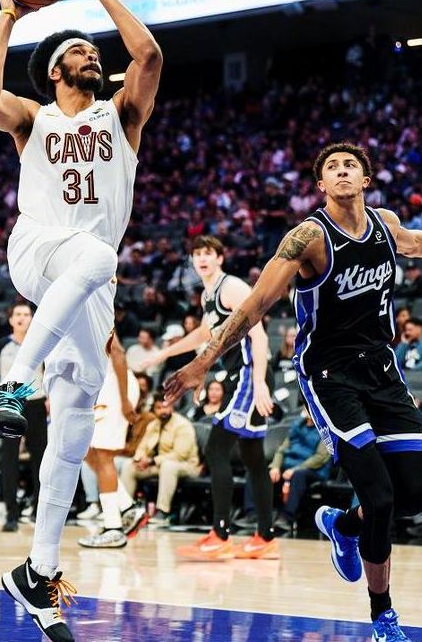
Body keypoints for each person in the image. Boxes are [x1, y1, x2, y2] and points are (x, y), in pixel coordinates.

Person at [0, 0, 161, 641]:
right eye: (79, 49)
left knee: (77, 416)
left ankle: (37, 570)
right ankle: (14, 386)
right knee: (95, 252)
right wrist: (8, 15)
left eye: (91, 48)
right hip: (39, 251)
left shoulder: (122, 115)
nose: (91, 54)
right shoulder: (34, 117)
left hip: (89, 284)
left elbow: (148, 55)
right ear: (55, 70)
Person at [165, 143, 422, 641]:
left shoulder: (386, 225)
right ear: (320, 185)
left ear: (366, 179)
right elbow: (256, 303)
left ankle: (344, 526)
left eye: (351, 165)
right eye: (332, 167)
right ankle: (383, 617)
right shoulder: (308, 236)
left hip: (382, 371)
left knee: (412, 494)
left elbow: (414, 242)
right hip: (329, 375)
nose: (342, 171)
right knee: (380, 497)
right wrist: (202, 362)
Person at [147, 235, 278, 561]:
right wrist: (164, 353)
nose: (202, 259)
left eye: (208, 253)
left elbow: (260, 335)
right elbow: (205, 334)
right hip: (238, 375)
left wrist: (259, 383)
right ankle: (265, 537)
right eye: (197, 254)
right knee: (252, 457)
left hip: (249, 374)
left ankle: (220, 535)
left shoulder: (231, 287)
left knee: (216, 447)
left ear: (220, 258)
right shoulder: (209, 294)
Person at [0, 303, 46, 532]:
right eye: (18, 314)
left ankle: (40, 511)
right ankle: (11, 514)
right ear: (10, 320)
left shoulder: (42, 342)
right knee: (9, 460)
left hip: (36, 403)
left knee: (40, 459)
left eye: (26, 314)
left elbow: (50, 373)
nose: (22, 318)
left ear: (32, 319)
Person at [78, 334, 147, 548]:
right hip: (104, 386)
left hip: (116, 385)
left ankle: (113, 528)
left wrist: (125, 400)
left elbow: (117, 352)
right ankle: (127, 507)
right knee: (86, 451)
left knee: (103, 454)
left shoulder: (95, 312)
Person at [119, 392, 199, 526]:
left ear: (172, 407)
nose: (163, 411)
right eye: (159, 408)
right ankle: (125, 510)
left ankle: (162, 512)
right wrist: (139, 459)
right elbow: (142, 448)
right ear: (154, 409)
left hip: (186, 466)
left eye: (166, 407)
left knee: (168, 466)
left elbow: (180, 455)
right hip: (159, 465)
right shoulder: (153, 425)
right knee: (129, 465)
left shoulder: (182, 425)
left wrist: (152, 461)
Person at [269, 408, 332, 533]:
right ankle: (254, 515)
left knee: (298, 475)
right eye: (305, 407)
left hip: (314, 470)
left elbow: (320, 458)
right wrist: (275, 467)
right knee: (263, 473)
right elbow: (281, 450)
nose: (307, 410)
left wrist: (295, 469)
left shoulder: (325, 430)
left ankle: (287, 518)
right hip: (290, 466)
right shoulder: (296, 426)